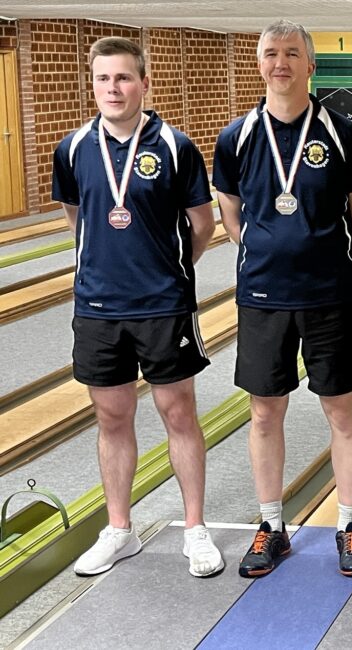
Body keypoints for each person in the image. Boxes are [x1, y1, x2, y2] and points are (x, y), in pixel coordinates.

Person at [52, 37, 223, 578]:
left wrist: (167, 271)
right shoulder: (73, 148)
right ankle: (119, 530)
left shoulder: (175, 146)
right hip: (97, 307)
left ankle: (195, 530)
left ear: (144, 83)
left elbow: (202, 224)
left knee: (179, 413)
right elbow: (76, 217)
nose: (113, 88)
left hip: (162, 306)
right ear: (92, 85)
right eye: (103, 79)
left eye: (124, 77)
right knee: (111, 417)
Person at [213, 19, 352, 578]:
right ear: (259, 63)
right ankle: (271, 525)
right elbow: (230, 212)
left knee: (342, 410)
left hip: (330, 293)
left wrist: (312, 248)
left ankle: (348, 523)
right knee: (264, 412)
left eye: (291, 53)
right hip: (263, 296)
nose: (279, 62)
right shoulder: (236, 137)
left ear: (310, 64)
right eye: (270, 53)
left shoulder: (343, 134)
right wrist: (266, 250)